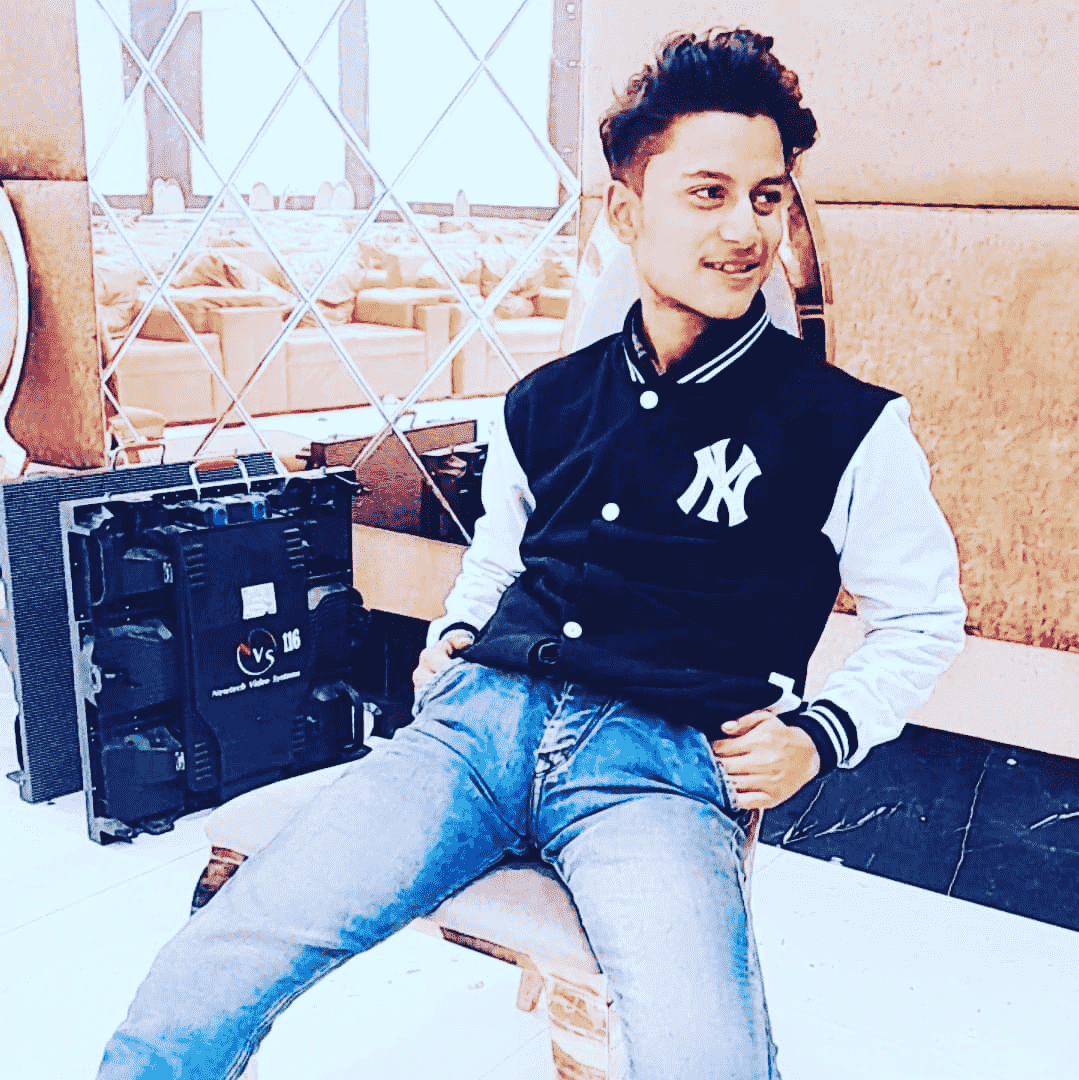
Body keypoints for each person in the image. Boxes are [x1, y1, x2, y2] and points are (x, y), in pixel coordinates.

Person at [98, 27, 965, 1080]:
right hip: (474, 728)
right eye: (706, 193)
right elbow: (500, 558)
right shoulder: (541, 403)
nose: (744, 228)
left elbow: (922, 618)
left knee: (707, 1059)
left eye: (765, 197)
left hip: (655, 770)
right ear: (627, 214)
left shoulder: (846, 426)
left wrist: (819, 736)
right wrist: (459, 630)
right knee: (228, 948)